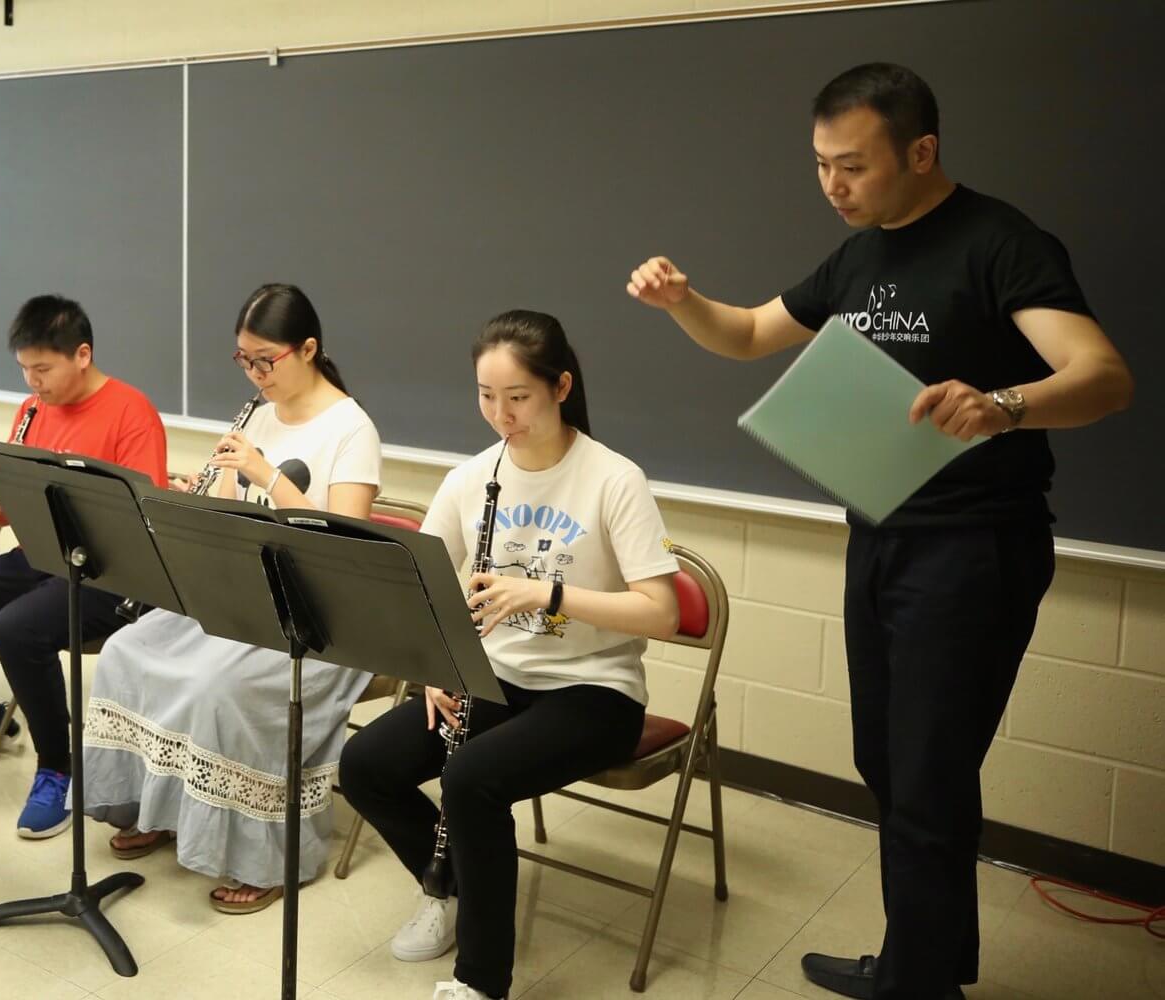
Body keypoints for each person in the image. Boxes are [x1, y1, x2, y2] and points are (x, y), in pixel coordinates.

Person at [626, 63, 1133, 1000]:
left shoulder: (1001, 242)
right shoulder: (858, 257)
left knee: (928, 772)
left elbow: (1103, 376)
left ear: (921, 150)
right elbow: (748, 334)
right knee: (889, 760)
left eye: (853, 166)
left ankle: (917, 982)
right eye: (821, 165)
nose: (833, 185)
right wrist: (682, 303)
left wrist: (1005, 405)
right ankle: (922, 966)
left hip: (975, 546)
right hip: (883, 533)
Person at [338, 310, 681, 1000]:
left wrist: (547, 593)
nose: (501, 415)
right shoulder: (472, 479)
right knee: (365, 764)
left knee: (470, 778)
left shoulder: (614, 478)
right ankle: (450, 887)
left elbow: (662, 613)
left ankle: (481, 981)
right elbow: (424, 588)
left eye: (518, 397)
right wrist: (435, 666)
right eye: (486, 396)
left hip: (595, 691)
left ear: (561, 387)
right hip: (495, 676)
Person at [81, 283, 381, 914]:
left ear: (308, 349)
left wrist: (266, 475)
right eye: (244, 359)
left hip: (314, 618)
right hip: (242, 597)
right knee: (127, 651)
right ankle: (156, 807)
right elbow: (230, 521)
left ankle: (263, 857)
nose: (254, 374)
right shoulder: (256, 415)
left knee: (217, 687)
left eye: (265, 360)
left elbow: (347, 548)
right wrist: (199, 499)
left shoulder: (352, 428)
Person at [0, 294, 168, 839]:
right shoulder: (32, 411)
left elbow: (145, 519)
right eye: (24, 369)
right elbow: (16, 502)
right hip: (40, 556)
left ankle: (59, 768)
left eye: (42, 369)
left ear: (82, 355)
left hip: (111, 574)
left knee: (16, 628)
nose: (32, 383)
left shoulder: (131, 411)